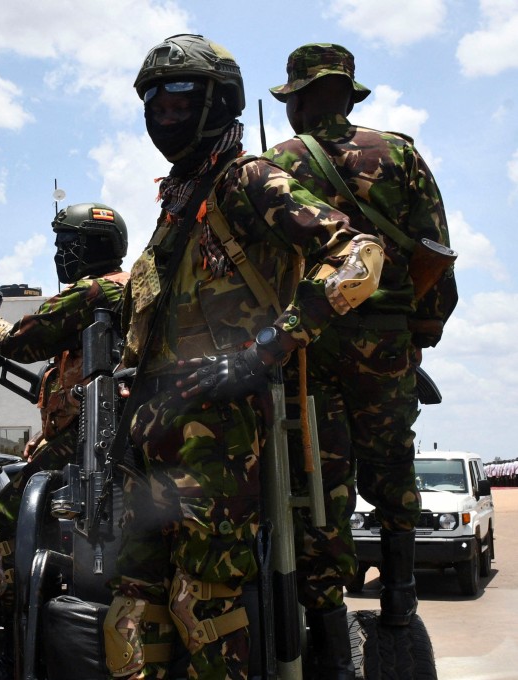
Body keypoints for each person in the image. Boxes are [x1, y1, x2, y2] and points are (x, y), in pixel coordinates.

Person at [106, 34, 385, 680]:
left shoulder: (247, 180)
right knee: (130, 614)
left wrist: (267, 349)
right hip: (151, 439)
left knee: (202, 603)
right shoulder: (175, 204)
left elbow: (358, 258)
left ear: (217, 102)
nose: (162, 112)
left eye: (179, 98)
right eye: (153, 99)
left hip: (222, 438)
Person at [264, 43, 457, 652]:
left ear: (298, 99)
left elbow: (264, 274)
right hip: (390, 341)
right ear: (347, 93)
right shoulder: (400, 153)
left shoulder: (279, 162)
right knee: (394, 464)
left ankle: (327, 630)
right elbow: (438, 257)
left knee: (321, 483)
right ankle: (400, 599)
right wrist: (419, 335)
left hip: (309, 349)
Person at [0, 202, 130, 678]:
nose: (61, 255)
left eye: (68, 245)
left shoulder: (97, 292)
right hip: (92, 443)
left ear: (93, 249)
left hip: (93, 444)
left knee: (0, 524)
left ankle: (20, 631)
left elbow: (22, 340)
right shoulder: (119, 296)